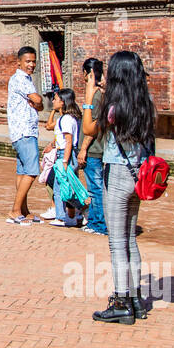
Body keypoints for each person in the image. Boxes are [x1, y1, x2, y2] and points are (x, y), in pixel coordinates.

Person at [86, 51, 156, 324]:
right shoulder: (145, 102)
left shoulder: (113, 106)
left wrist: (89, 96)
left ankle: (121, 301)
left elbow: (90, 129)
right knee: (130, 239)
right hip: (137, 173)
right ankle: (136, 299)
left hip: (116, 173)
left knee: (116, 242)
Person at [5, 46, 44, 225]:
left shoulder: (26, 80)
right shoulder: (20, 79)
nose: (31, 65)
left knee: (22, 171)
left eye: (33, 61)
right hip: (24, 130)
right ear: (19, 62)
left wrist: (37, 103)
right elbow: (38, 100)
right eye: (27, 61)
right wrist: (37, 102)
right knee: (32, 170)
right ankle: (14, 210)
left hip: (24, 131)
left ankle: (23, 210)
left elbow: (39, 104)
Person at [44, 88, 84, 227]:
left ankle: (78, 209)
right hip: (64, 154)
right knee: (62, 187)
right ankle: (64, 216)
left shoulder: (67, 119)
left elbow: (68, 141)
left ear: (62, 102)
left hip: (65, 155)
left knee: (62, 187)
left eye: (55, 99)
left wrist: (65, 160)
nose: (53, 101)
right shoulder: (65, 118)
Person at [78, 57, 107, 237]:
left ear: (87, 74)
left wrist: (83, 149)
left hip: (94, 150)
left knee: (96, 189)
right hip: (96, 149)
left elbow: (92, 127)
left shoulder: (96, 96)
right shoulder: (100, 94)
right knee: (96, 187)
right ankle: (96, 221)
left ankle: (99, 224)